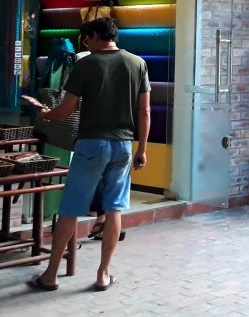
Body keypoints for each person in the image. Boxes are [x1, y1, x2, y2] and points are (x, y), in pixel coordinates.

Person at [29, 17, 150, 292]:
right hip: (122, 146)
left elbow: (67, 109)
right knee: (114, 208)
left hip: (91, 145)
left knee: (70, 208)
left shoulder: (86, 64)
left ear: (95, 36)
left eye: (87, 38)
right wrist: (141, 148)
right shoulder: (137, 63)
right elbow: (145, 112)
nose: (86, 43)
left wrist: (46, 114)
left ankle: (51, 275)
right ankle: (103, 274)